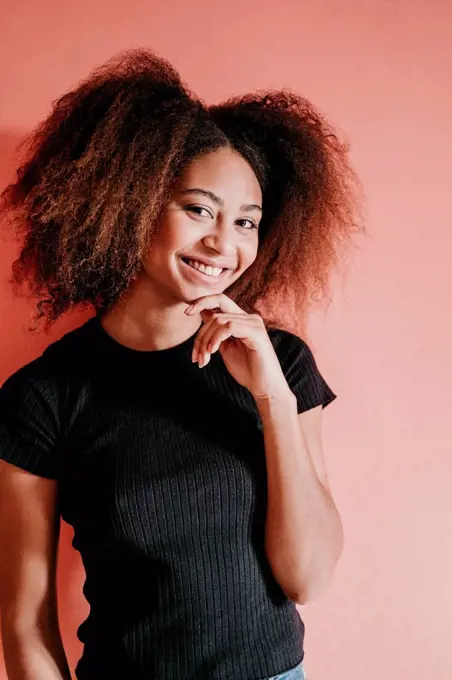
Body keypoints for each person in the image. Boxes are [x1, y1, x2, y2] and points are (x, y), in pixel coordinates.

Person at [0, 48, 362, 680]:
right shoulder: (47, 395)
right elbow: (25, 621)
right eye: (199, 210)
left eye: (245, 221)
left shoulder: (282, 363)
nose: (225, 244)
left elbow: (308, 577)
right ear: (132, 207)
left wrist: (273, 397)